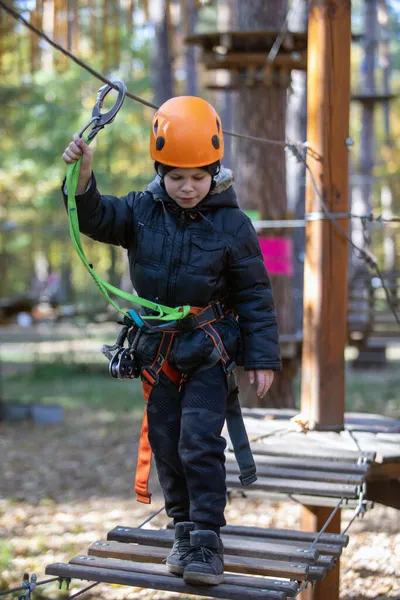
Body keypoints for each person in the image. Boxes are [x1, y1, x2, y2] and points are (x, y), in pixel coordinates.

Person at [62, 96, 281, 586]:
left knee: (198, 442)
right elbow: (95, 218)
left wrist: (261, 358)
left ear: (215, 172)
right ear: (159, 169)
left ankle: (207, 538)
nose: (187, 187)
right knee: (165, 442)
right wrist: (84, 173)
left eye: (198, 177)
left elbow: (255, 296)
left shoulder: (233, 226)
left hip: (207, 352)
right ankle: (182, 528)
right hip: (157, 351)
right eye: (176, 176)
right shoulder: (141, 211)